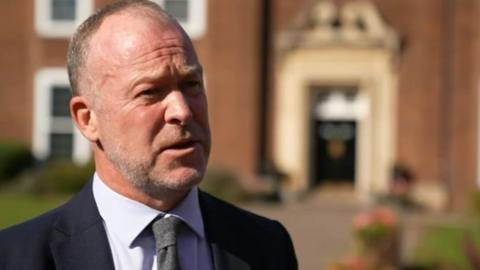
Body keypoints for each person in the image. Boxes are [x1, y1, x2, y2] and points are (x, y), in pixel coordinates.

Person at [0, 1, 298, 269]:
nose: (181, 111)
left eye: (191, 83)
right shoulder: (15, 257)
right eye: (150, 92)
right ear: (88, 119)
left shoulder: (267, 247)